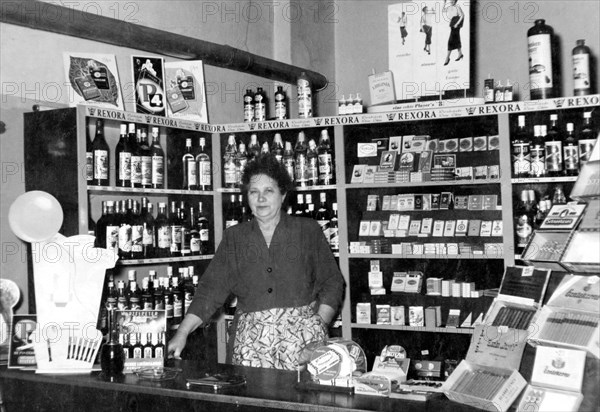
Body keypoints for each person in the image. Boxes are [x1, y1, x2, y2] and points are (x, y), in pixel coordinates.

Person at [168, 154, 344, 370]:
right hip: (250, 345)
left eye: (268, 191)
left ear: (283, 194)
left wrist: (318, 326)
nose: (261, 199)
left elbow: (333, 282)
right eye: (254, 192)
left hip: (304, 342)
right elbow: (210, 291)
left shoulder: (307, 230)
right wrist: (182, 333)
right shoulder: (235, 237)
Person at [444, 0, 465, 65]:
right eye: (451, 0)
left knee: (451, 41)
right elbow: (443, 10)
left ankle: (447, 58)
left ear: (455, 1)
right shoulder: (450, 7)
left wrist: (457, 24)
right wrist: (444, 3)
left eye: (453, 0)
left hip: (456, 26)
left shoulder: (457, 7)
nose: (451, 1)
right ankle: (460, 54)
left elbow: (462, 15)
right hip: (452, 25)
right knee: (456, 39)